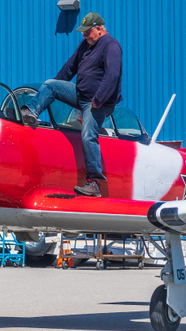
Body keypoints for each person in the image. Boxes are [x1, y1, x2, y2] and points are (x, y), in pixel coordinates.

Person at [21, 12, 123, 197]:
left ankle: (94, 184)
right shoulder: (86, 44)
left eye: (87, 32)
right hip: (81, 94)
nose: (84, 36)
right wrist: (53, 87)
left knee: (88, 136)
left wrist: (97, 101)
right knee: (50, 84)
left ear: (99, 29)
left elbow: (112, 77)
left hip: (98, 102)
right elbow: (70, 67)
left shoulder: (111, 46)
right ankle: (30, 112)